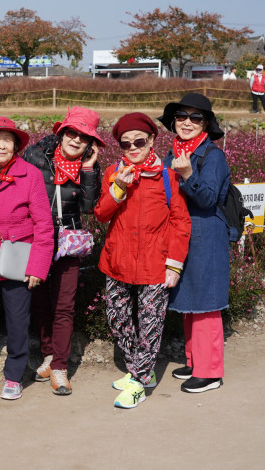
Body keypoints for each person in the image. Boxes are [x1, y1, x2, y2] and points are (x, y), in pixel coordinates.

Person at [94, 113, 191, 408]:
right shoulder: (113, 172)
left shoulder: (168, 176)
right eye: (126, 144)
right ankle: (141, 370)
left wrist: (174, 264)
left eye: (139, 141)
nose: (133, 148)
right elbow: (101, 214)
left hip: (155, 263)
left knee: (150, 325)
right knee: (117, 319)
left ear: (151, 141)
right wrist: (119, 188)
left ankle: (138, 381)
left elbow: (180, 222)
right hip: (118, 260)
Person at [0, 117, 54, 401]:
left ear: (16, 145)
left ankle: (15, 375)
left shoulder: (30, 174)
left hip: (18, 257)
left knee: (18, 319)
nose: (1, 145)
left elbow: (44, 225)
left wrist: (38, 266)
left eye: (7, 140)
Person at [23, 106, 102, 395]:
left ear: (90, 143)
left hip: (69, 241)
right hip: (38, 238)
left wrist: (88, 170)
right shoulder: (35, 156)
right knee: (40, 300)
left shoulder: (88, 165)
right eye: (72, 133)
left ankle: (59, 366)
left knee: (64, 305)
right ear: (61, 133)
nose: (76, 140)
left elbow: (89, 208)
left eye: (84, 137)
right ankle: (47, 354)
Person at [158, 93, 231, 394]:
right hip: (181, 235)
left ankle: (210, 372)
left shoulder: (213, 156)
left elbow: (208, 199)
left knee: (205, 303)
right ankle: (194, 360)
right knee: (189, 300)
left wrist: (188, 174)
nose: (187, 122)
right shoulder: (172, 154)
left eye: (195, 117)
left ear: (206, 123)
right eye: (181, 116)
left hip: (206, 237)